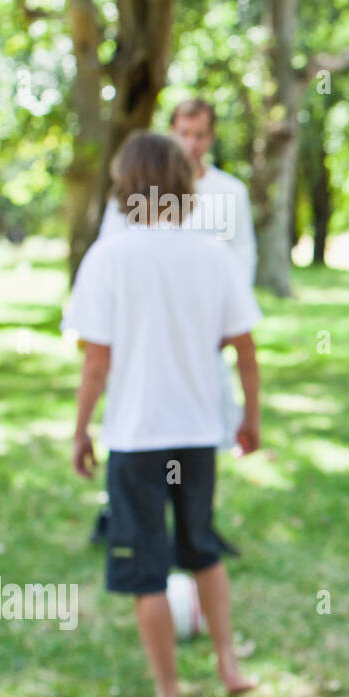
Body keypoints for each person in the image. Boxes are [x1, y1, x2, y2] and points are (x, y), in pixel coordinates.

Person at [65, 131, 263, 697]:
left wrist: (80, 430)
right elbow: (246, 352)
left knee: (146, 570)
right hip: (199, 432)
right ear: (185, 182)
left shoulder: (108, 258)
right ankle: (229, 666)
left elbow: (95, 361)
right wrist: (250, 418)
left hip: (135, 437)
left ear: (126, 185)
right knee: (202, 547)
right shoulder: (213, 255)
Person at [89, 97, 257, 546]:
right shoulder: (130, 204)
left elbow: (241, 260)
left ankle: (195, 526)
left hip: (200, 329)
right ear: (172, 131)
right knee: (135, 417)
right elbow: (112, 253)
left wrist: (222, 323)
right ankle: (124, 516)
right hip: (141, 330)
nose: (192, 142)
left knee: (200, 420)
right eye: (184, 132)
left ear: (211, 136)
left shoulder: (229, 194)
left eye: (200, 134)